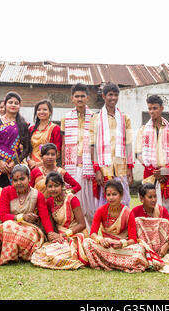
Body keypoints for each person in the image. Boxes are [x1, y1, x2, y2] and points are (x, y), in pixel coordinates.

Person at [0, 164, 55, 265]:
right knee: (7, 226)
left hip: (30, 228)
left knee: (11, 227)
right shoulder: (6, 191)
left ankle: (10, 256)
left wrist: (51, 233)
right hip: (9, 226)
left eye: (22, 179)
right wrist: (22, 217)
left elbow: (44, 217)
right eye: (15, 180)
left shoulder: (37, 195)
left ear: (29, 178)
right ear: (12, 181)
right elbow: (3, 216)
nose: (19, 183)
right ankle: (11, 256)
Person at [82, 180, 148, 272]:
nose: (111, 198)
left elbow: (133, 239)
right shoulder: (101, 211)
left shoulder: (128, 213)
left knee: (139, 250)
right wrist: (100, 240)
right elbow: (93, 233)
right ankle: (118, 264)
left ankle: (106, 262)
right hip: (106, 247)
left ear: (121, 195)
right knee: (87, 242)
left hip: (121, 248)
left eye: (114, 194)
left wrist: (121, 243)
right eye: (108, 195)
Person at [31, 172, 89, 269]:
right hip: (60, 236)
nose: (53, 189)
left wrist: (62, 235)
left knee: (55, 255)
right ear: (46, 187)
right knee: (41, 253)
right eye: (50, 186)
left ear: (62, 186)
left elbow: (82, 224)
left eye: (56, 186)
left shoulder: (72, 199)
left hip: (75, 235)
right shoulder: (49, 202)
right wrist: (53, 235)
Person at [90, 82, 133, 207]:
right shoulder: (96, 118)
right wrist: (97, 169)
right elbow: (92, 146)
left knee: (124, 201)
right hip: (104, 168)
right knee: (105, 203)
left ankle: (123, 225)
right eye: (110, 95)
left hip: (121, 167)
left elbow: (129, 143)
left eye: (115, 95)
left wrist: (130, 167)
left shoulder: (125, 118)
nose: (113, 98)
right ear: (104, 96)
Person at [61, 83, 97, 229]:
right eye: (77, 96)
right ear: (72, 99)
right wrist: (63, 164)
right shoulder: (66, 118)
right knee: (76, 202)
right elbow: (64, 143)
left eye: (82, 96)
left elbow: (97, 143)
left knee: (91, 205)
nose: (80, 99)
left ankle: (91, 232)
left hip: (89, 167)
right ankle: (79, 231)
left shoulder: (95, 117)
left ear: (87, 98)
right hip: (72, 166)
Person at [135, 94, 169, 214]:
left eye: (155, 108)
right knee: (149, 205)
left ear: (161, 109)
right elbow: (138, 153)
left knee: (168, 205)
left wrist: (164, 171)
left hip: (166, 173)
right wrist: (152, 169)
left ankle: (167, 231)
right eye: (149, 108)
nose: (152, 111)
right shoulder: (143, 129)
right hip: (150, 172)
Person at [0, 92, 31, 187]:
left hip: (13, 165)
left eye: (16, 103)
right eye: (10, 102)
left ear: (19, 106)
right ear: (5, 104)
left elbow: (27, 148)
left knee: (14, 192)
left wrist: (14, 163)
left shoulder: (22, 124)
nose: (13, 105)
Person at [131, 183, 169, 259]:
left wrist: (166, 246)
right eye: (150, 197)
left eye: (155, 196)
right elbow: (132, 234)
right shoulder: (135, 211)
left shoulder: (162, 211)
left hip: (161, 248)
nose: (154, 200)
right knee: (137, 221)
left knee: (165, 222)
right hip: (143, 247)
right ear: (141, 199)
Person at [27, 99, 62, 169]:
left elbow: (58, 152)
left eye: (45, 109)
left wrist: (41, 163)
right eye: (39, 110)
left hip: (48, 166)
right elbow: (27, 149)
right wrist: (29, 161)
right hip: (31, 165)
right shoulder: (31, 129)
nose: (41, 112)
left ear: (50, 112)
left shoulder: (55, 128)